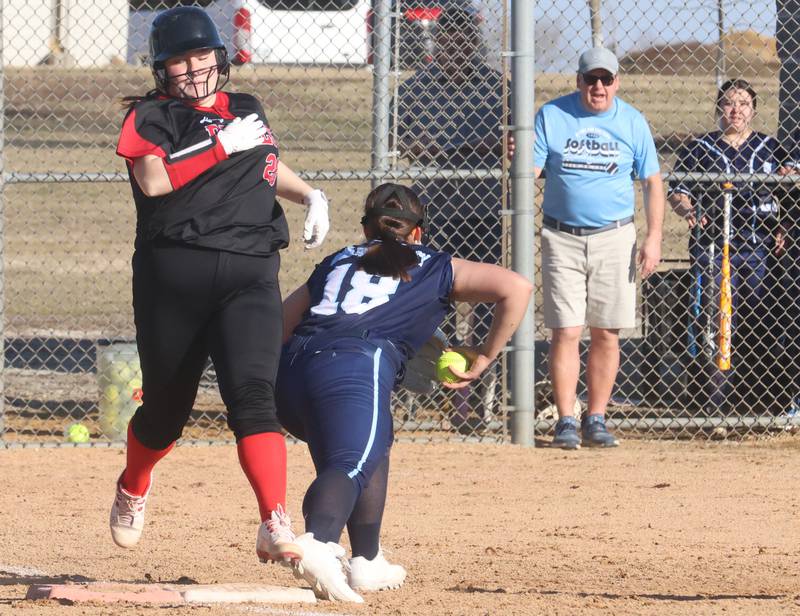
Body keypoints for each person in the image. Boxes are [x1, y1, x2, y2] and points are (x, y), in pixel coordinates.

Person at [109, 5, 331, 572]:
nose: (192, 68)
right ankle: (135, 482)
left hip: (250, 271)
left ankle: (274, 519)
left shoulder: (246, 109)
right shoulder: (151, 117)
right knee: (165, 413)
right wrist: (218, 146)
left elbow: (262, 165)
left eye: (201, 56)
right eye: (179, 61)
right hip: (173, 277)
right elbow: (155, 180)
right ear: (161, 69)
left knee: (253, 395)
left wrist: (310, 195)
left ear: (220, 57)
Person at [275, 183, 532, 602]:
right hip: (356, 365)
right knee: (350, 463)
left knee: (370, 447)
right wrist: (484, 355)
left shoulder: (337, 260)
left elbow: (281, 323)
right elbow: (516, 287)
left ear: (366, 229)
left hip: (293, 371)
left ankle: (367, 559)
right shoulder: (435, 265)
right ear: (418, 232)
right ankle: (318, 541)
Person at [532, 47, 664, 449]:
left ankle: (597, 417)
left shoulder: (632, 121)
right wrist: (517, 156)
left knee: (607, 332)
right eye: (591, 79)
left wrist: (654, 236)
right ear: (579, 81)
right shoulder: (552, 116)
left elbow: (652, 182)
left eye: (607, 79)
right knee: (566, 330)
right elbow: (530, 172)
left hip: (614, 236)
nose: (599, 87)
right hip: (562, 236)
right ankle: (566, 419)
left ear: (617, 82)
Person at [394, 3, 507, 427]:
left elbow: (505, 144)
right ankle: (432, 388)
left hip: (482, 210)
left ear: (473, 43)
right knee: (431, 300)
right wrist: (458, 150)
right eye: (448, 39)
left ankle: (473, 398)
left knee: (480, 307)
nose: (455, 46)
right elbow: (406, 140)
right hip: (433, 212)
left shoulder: (496, 88)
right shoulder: (415, 89)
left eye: (463, 39)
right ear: (437, 42)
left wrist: (446, 151)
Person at [669, 79, 789, 412]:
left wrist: (784, 224)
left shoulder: (770, 147)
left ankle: (757, 399)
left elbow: (788, 195)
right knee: (714, 321)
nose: (735, 110)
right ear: (719, 107)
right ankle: (713, 400)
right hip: (714, 249)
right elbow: (678, 193)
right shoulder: (699, 147)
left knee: (759, 318)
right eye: (728, 103)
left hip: (759, 249)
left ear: (753, 110)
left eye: (743, 103)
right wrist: (689, 209)